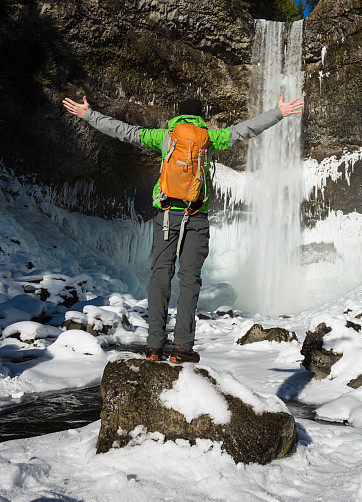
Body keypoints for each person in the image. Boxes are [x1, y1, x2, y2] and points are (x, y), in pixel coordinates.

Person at [62, 93, 304, 363]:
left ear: (177, 115)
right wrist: (279, 112)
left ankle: (153, 347)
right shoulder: (209, 137)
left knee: (160, 277)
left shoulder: (165, 137)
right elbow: (244, 130)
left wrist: (88, 115)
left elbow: (125, 131)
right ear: (200, 117)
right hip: (196, 215)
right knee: (189, 281)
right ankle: (181, 350)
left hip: (166, 215)